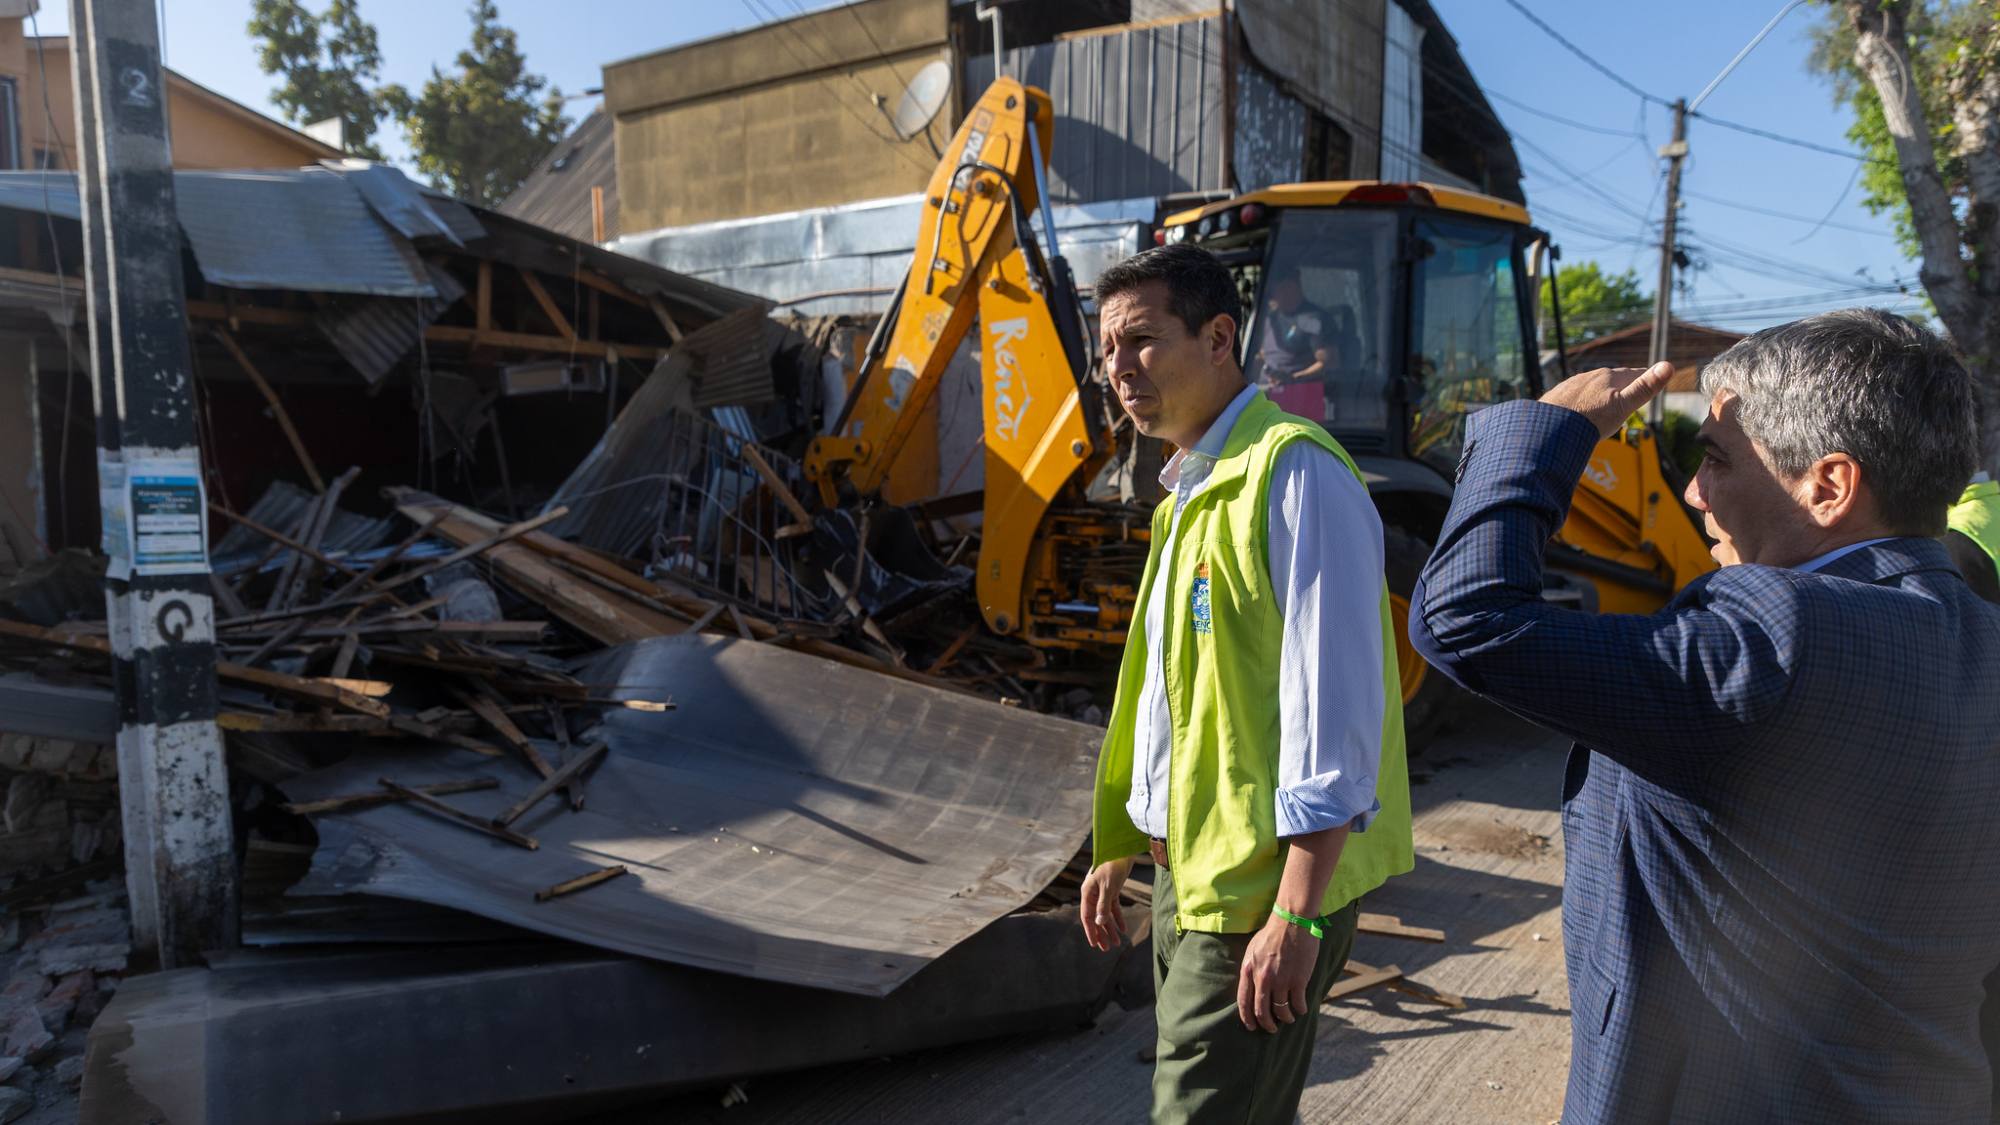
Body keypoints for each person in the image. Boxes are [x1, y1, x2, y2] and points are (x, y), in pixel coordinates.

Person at [1410, 308, 2000, 1122]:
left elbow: (1466, 619)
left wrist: (1546, 433)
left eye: (1717, 459)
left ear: (1828, 486)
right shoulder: (1981, 635)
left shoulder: (1779, 631)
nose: (1693, 490)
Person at [1077, 244, 1413, 1125]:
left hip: (1258, 891)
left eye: (1141, 341)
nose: (1118, 368)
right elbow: (1172, 696)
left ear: (1219, 336)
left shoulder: (1297, 474)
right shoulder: (1188, 490)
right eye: (1107, 348)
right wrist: (1124, 835)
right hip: (1191, 875)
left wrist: (1297, 918)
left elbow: (1333, 713)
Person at [1255, 267, 1334, 420]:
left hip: (1301, 396)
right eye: (1274, 290)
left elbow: (1327, 362)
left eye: (1280, 289)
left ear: (1293, 286)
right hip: (1266, 394)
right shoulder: (1269, 320)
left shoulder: (1314, 319)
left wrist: (1293, 379)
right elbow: (1262, 353)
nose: (1275, 296)